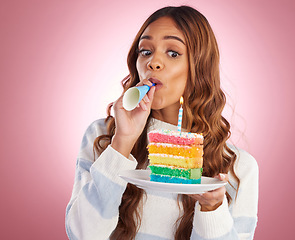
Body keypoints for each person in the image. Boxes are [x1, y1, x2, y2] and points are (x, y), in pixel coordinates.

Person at [65, 5, 258, 240]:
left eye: (173, 53)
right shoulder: (103, 137)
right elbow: (82, 235)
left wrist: (211, 210)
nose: (153, 63)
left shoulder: (239, 168)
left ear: (200, 66)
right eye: (145, 51)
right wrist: (123, 142)